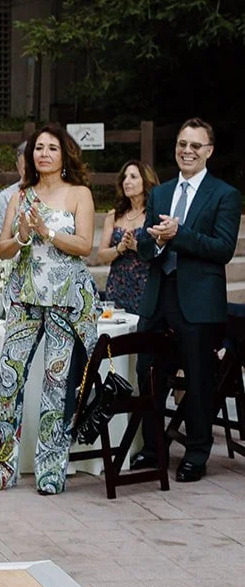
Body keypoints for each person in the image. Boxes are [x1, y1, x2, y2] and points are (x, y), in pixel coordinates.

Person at [0, 123, 100, 495]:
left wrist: (47, 232)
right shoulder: (20, 195)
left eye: (52, 148)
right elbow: (2, 249)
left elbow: (85, 245)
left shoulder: (79, 193)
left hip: (65, 301)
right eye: (38, 148)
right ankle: (1, 469)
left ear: (65, 155)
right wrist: (21, 235)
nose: (44, 154)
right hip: (24, 299)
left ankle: (50, 473)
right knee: (9, 378)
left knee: (56, 385)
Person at [131, 118, 241, 483]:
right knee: (147, 372)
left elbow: (223, 249)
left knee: (197, 379)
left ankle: (196, 453)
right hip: (157, 298)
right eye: (182, 144)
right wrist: (155, 241)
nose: (187, 151)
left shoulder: (224, 194)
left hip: (198, 302)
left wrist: (179, 234)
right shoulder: (160, 193)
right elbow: (144, 247)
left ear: (209, 151)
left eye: (195, 145)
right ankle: (153, 448)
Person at [96, 160, 159, 313]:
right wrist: (120, 248)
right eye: (124, 177)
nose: (127, 181)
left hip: (146, 286)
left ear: (146, 181)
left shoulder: (155, 214)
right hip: (117, 286)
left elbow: (160, 252)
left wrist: (135, 246)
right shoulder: (114, 215)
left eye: (133, 177)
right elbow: (101, 255)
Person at [0, 141, 28, 258]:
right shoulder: (5, 197)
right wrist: (15, 255)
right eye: (26, 169)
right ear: (18, 167)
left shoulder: (60, 193)